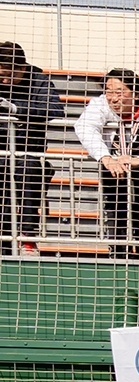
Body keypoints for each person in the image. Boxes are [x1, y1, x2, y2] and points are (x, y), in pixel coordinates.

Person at [76, 68, 139, 260]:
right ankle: (117, 257)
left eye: (120, 92)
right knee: (116, 218)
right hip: (115, 171)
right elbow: (85, 127)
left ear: (135, 93)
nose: (113, 98)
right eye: (109, 91)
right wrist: (105, 157)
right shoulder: (100, 104)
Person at [0, 42, 57, 255]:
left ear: (22, 67)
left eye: (9, 75)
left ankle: (27, 237)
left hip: (27, 151)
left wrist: (17, 109)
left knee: (29, 170)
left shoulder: (39, 80)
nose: (5, 81)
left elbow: (54, 110)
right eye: (1, 75)